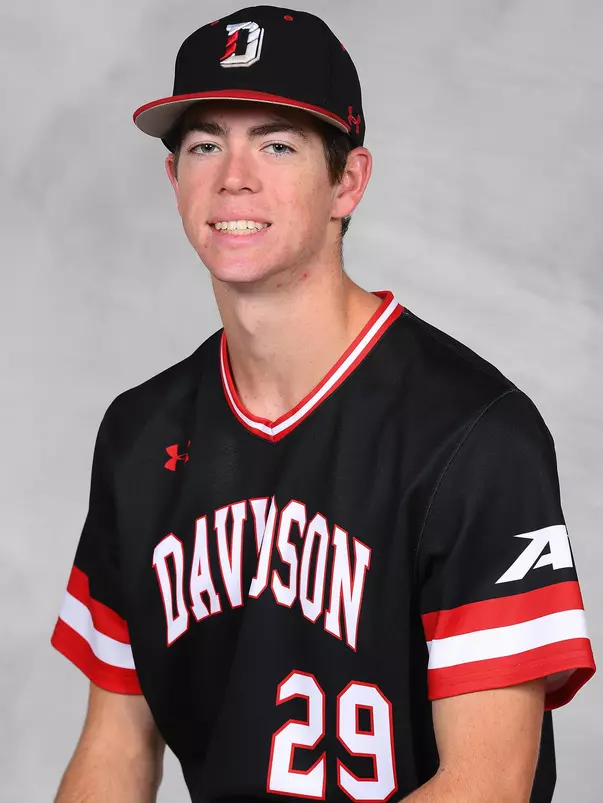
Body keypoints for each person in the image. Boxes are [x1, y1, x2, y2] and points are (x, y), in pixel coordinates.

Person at [51, 6, 596, 803]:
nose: (233, 175)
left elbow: (486, 783)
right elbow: (115, 747)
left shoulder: (475, 434)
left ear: (347, 181)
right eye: (205, 144)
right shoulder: (139, 434)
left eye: (276, 143)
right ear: (174, 180)